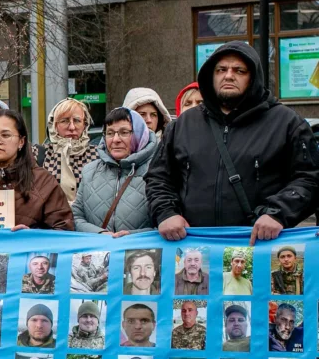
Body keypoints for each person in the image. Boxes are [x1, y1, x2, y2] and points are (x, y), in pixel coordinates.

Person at [147, 42, 319, 244]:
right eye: (221, 70)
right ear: (211, 75)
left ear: (253, 77)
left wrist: (277, 213)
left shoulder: (286, 123)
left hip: (259, 246)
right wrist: (166, 213)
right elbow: (158, 177)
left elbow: (309, 178)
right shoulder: (184, 124)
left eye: (239, 70)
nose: (228, 75)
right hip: (194, 247)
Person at [0, 110, 74, 230]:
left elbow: (64, 229)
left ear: (21, 141)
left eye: (5, 135)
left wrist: (31, 237)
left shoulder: (43, 182)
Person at [72, 108, 158, 235]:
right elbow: (76, 217)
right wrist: (100, 233)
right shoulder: (89, 172)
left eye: (124, 132)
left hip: (139, 252)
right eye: (110, 133)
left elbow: (166, 221)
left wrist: (131, 236)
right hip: (99, 251)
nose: (115, 139)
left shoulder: (157, 171)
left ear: (139, 135)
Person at [33, 98, 99, 203]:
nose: (72, 127)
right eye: (64, 121)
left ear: (85, 125)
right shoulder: (38, 154)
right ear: (53, 125)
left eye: (77, 121)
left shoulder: (98, 155)